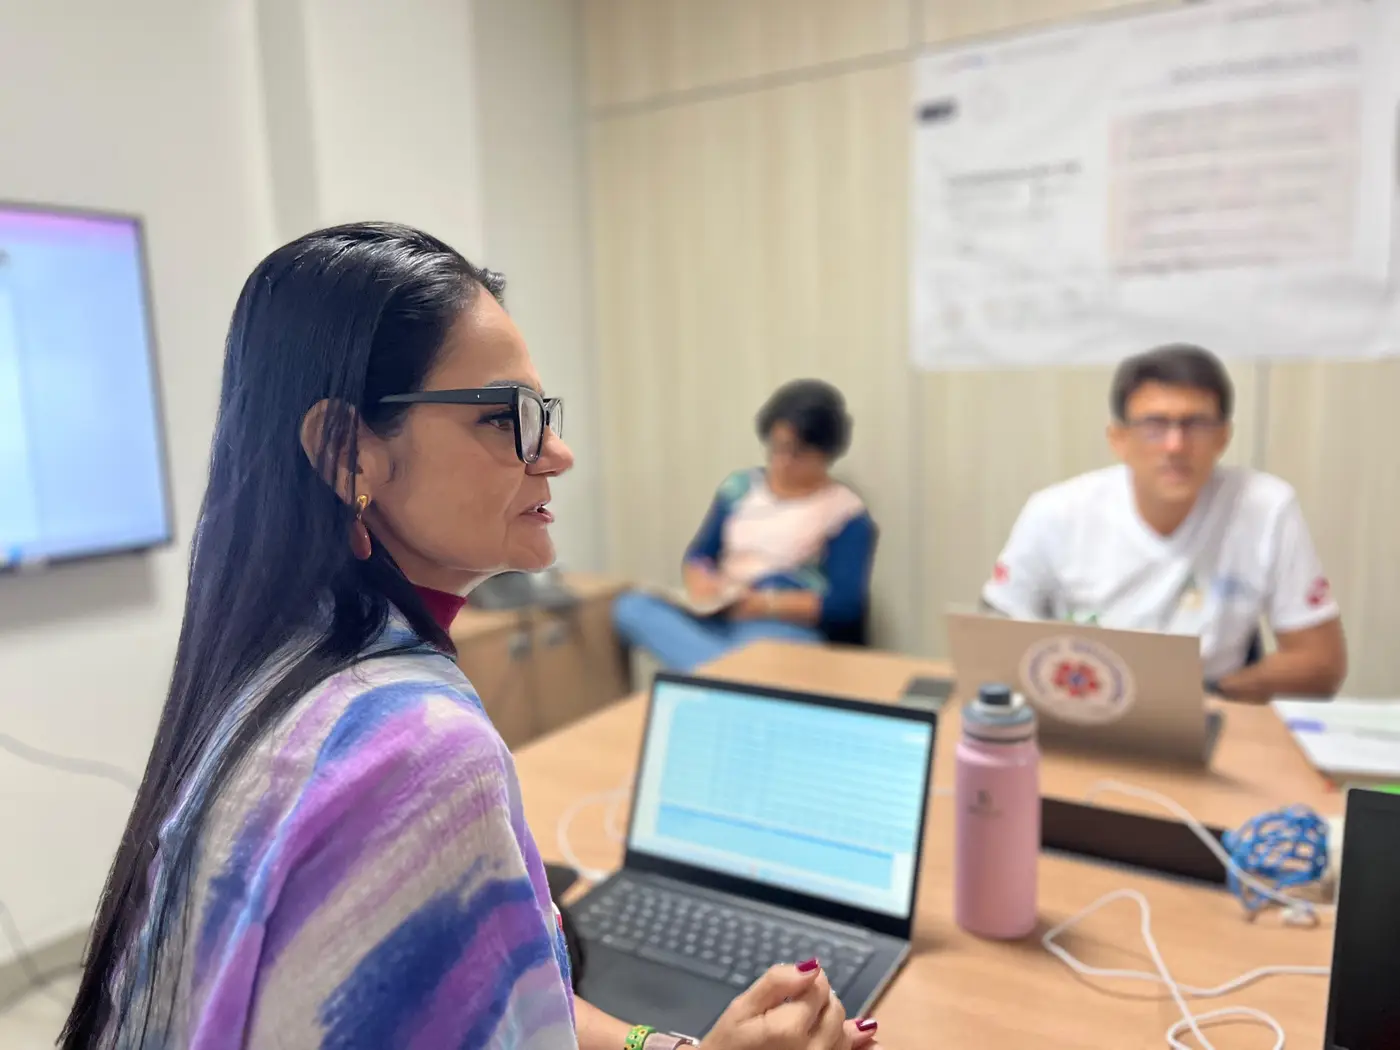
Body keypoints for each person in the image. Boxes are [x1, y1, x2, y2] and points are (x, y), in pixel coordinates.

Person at [62, 224, 883, 1050]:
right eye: (507, 418)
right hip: (723, 622)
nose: (556, 454)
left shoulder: (270, 665)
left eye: (544, 414)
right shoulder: (417, 750)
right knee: (638, 606)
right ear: (349, 454)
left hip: (773, 626)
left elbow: (505, 1000)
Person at [981, 343, 1346, 703]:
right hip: (1084, 702)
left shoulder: (1266, 507)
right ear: (1118, 439)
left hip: (1212, 705)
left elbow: (1321, 664)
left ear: (1223, 436)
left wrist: (1216, 694)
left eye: (1196, 424)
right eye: (1154, 425)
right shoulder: (1056, 512)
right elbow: (993, 634)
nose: (1175, 445)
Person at [612, 380, 877, 671]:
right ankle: (731, 676)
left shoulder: (845, 511)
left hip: (779, 623)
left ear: (826, 453)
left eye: (797, 452)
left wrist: (763, 604)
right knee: (632, 608)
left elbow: (844, 605)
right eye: (776, 448)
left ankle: (722, 674)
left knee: (766, 649)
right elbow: (700, 555)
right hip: (720, 613)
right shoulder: (740, 487)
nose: (783, 461)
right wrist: (703, 585)